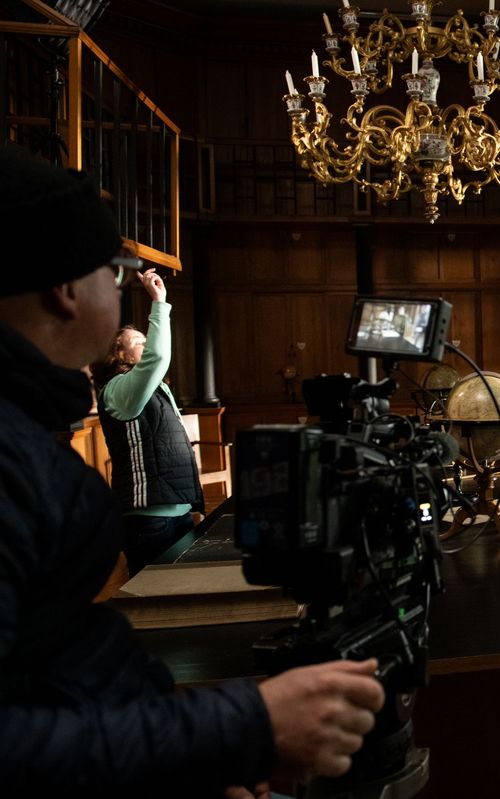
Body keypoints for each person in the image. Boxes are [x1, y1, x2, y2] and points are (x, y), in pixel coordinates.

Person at [0, 145, 385, 797]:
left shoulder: (28, 426)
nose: (119, 291)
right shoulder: (22, 452)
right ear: (65, 291)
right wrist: (243, 728)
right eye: (114, 272)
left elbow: (67, 662)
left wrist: (201, 761)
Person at [92, 270, 202, 574]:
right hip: (149, 520)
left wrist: (191, 505)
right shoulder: (117, 389)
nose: (147, 343)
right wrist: (159, 302)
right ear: (118, 355)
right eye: (139, 341)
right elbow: (158, 358)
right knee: (150, 596)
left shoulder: (155, 390)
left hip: (176, 512)